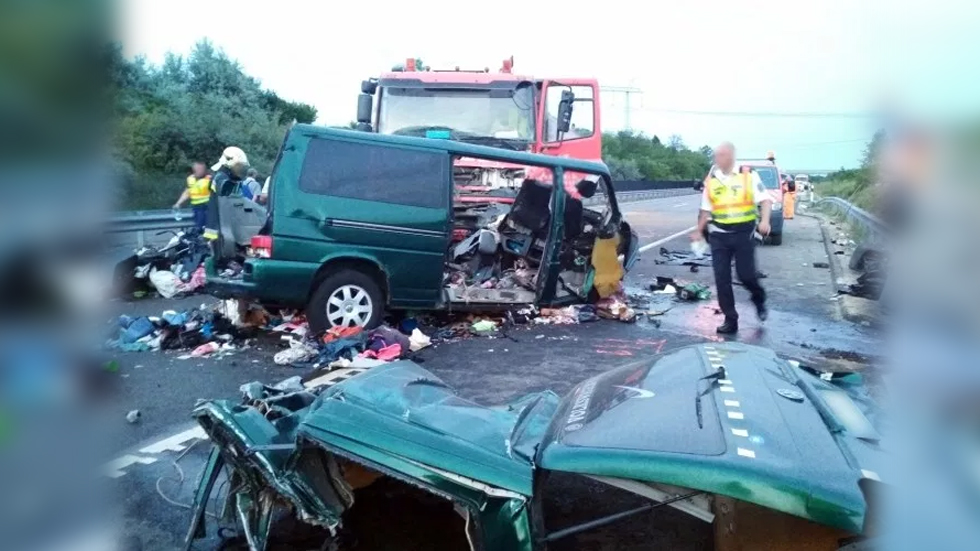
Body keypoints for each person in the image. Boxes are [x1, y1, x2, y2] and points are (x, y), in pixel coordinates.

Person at [691, 142, 772, 334]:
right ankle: (730, 319)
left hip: (743, 234)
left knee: (746, 276)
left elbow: (766, 200)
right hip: (719, 235)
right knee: (722, 279)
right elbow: (705, 210)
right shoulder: (711, 180)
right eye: (716, 156)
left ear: (731, 156)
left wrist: (765, 221)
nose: (718, 159)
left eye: (722, 155)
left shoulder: (747, 175)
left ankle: (758, 297)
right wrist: (698, 230)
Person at [203, 146, 249, 241]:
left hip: (225, 227)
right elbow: (226, 193)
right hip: (217, 229)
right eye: (238, 166)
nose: (240, 169)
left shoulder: (229, 178)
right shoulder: (221, 177)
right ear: (229, 163)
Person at [174, 162, 212, 229]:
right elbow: (187, 192)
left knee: (207, 227)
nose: (199, 171)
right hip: (196, 208)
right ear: (193, 169)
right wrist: (178, 203)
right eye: (197, 169)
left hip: (207, 207)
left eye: (201, 169)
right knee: (198, 227)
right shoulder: (190, 179)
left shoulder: (209, 179)